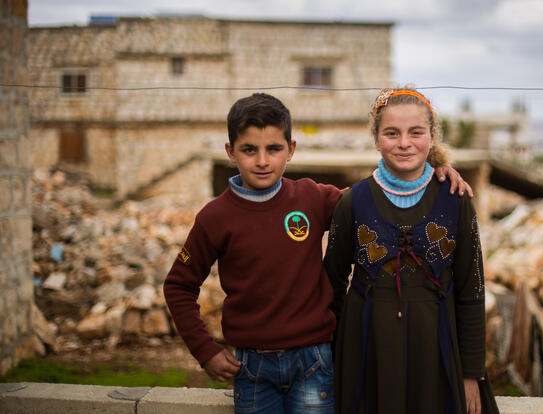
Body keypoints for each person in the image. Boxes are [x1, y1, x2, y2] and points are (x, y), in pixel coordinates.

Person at [163, 92, 473, 414]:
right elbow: (178, 286)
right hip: (252, 367)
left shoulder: (311, 198)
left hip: (314, 361)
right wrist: (205, 349)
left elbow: (377, 197)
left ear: (291, 150)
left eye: (274, 149)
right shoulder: (215, 217)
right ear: (231, 152)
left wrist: (437, 170)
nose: (262, 161)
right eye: (249, 150)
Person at [325, 87, 500, 414]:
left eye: (415, 132)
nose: (404, 142)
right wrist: (330, 361)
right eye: (392, 133)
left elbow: (471, 290)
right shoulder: (353, 202)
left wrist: (472, 373)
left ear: (432, 137)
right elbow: (331, 286)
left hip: (437, 347)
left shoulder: (456, 200)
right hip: (368, 349)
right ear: (377, 139)